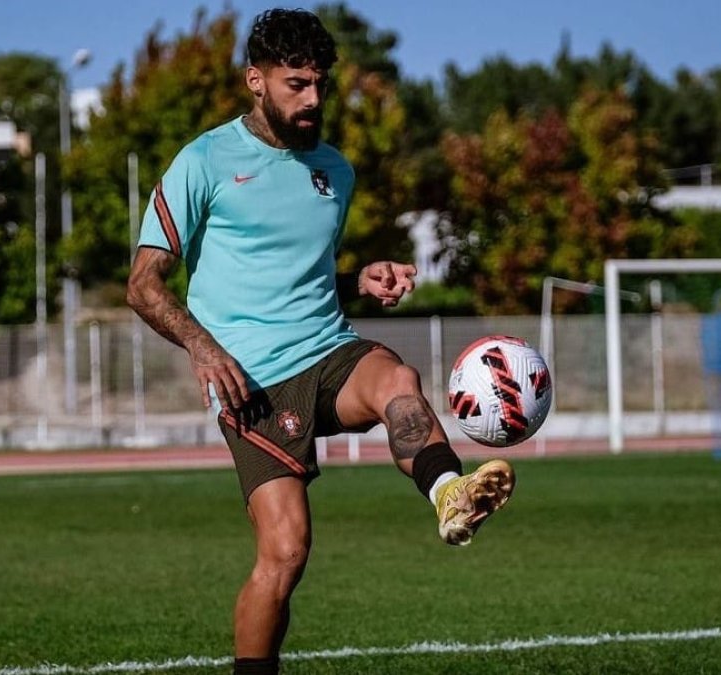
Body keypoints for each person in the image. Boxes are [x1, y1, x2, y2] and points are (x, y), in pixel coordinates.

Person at [126, 9, 515, 674]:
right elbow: (143, 284)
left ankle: (449, 491)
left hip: (327, 348)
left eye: (321, 86)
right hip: (248, 378)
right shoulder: (204, 161)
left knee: (397, 380)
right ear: (256, 81)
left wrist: (360, 279)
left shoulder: (335, 171)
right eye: (295, 85)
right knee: (285, 553)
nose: (312, 100)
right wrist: (202, 346)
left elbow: (302, 277)